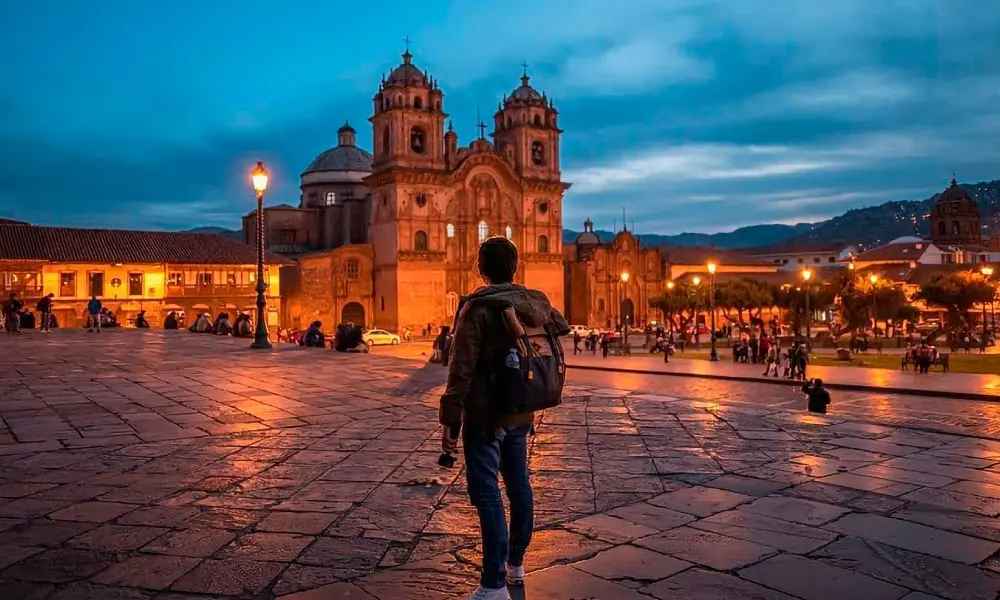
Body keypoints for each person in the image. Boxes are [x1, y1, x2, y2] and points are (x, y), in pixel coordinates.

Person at [440, 236, 569, 600]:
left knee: (485, 492)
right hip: (521, 409)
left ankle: (493, 583)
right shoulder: (533, 300)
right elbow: (561, 326)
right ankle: (515, 565)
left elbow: (460, 371)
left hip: (484, 413)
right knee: (519, 486)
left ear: (480, 268)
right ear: (515, 266)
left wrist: (450, 420)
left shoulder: (477, 308)